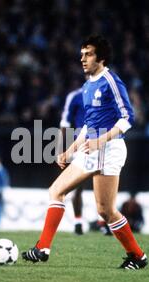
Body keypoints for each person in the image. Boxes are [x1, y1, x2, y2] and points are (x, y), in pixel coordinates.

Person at [22, 35, 148, 270]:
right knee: (88, 204)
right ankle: (137, 256)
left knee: (100, 208)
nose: (82, 58)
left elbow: (128, 118)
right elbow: (89, 125)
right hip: (94, 148)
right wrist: (69, 149)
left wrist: (100, 139)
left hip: (108, 148)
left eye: (88, 54)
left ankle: (43, 249)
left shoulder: (111, 80)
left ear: (100, 57)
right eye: (81, 54)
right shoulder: (87, 85)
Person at [59, 83, 86, 235]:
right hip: (81, 144)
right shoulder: (75, 96)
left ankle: (104, 221)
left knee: (103, 183)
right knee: (78, 187)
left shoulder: (108, 92)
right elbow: (64, 122)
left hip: (104, 141)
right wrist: (60, 148)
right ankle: (78, 222)